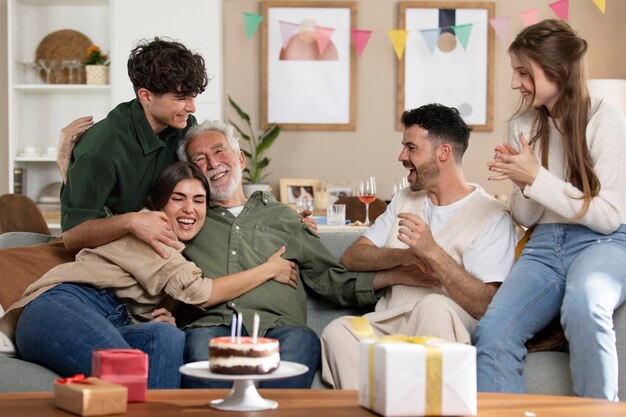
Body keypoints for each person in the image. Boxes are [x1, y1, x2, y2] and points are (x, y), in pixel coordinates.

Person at [174, 120, 430, 389]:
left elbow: (331, 279)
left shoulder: (284, 217)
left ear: (240, 159)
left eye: (219, 151)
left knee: (302, 341)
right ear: (192, 172)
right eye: (199, 159)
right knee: (201, 356)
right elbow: (158, 267)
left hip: (281, 328)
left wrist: (394, 276)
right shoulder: (186, 221)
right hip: (211, 326)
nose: (213, 163)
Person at [0, 162, 297, 389]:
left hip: (112, 320)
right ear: (158, 206)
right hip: (61, 308)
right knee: (126, 372)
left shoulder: (178, 250)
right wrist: (270, 269)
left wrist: (166, 318)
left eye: (198, 200)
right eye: (177, 198)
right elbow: (201, 292)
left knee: (166, 336)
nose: (189, 209)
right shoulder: (153, 233)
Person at [475, 19, 626, 401]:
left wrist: (536, 177)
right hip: (544, 245)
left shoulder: (605, 119)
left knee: (585, 304)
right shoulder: (523, 125)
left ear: (558, 70)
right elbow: (526, 217)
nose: (515, 83)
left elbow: (608, 215)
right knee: (493, 332)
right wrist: (524, 183)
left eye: (524, 72)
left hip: (603, 243)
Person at [320, 104, 517, 389]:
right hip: (390, 321)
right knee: (339, 331)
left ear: (443, 153)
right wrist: (406, 258)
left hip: (444, 325)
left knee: (433, 306)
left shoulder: (491, 215)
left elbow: (486, 303)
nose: (402, 156)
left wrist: (433, 252)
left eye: (411, 148)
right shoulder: (404, 200)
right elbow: (352, 257)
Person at [60, 37, 208, 258]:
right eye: (181, 98)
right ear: (146, 96)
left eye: (193, 96)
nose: (192, 107)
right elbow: (72, 236)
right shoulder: (101, 149)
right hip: (107, 255)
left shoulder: (183, 126)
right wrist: (131, 221)